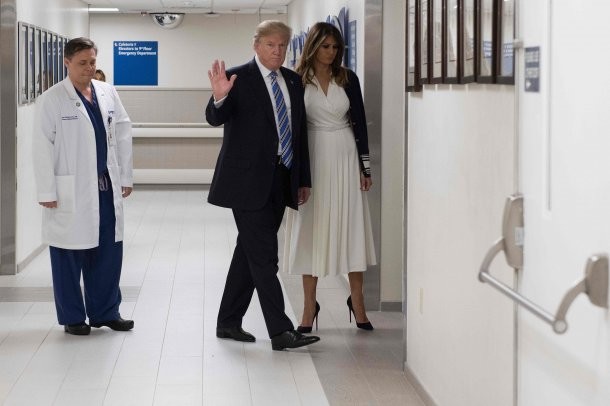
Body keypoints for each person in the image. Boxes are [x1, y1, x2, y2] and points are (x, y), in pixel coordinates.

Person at [206, 20, 320, 351]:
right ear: (256, 45)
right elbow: (215, 118)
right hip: (245, 182)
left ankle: (228, 321)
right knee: (265, 255)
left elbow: (299, 134)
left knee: (249, 252)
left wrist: (302, 179)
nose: (277, 51)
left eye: (282, 45)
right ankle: (280, 331)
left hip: (281, 179)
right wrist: (218, 98)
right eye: (270, 44)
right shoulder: (237, 78)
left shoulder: (293, 81)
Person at [32, 37, 134, 336]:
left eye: (92, 62)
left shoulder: (106, 91)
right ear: (66, 62)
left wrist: (125, 176)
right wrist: (47, 191)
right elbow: (41, 147)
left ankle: (106, 312)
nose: (89, 68)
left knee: (108, 251)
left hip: (105, 185)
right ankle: (73, 317)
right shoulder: (52, 99)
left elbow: (123, 131)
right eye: (82, 63)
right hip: (70, 189)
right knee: (68, 254)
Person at [283, 22, 377, 332]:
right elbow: (293, 130)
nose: (331, 52)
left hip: (346, 155)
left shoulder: (347, 78)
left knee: (351, 227)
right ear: (313, 46)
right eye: (325, 46)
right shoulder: (296, 80)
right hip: (313, 157)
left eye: (336, 47)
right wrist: (296, 175)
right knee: (311, 227)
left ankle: (358, 301)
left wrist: (365, 167)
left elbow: (360, 121)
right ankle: (309, 306)